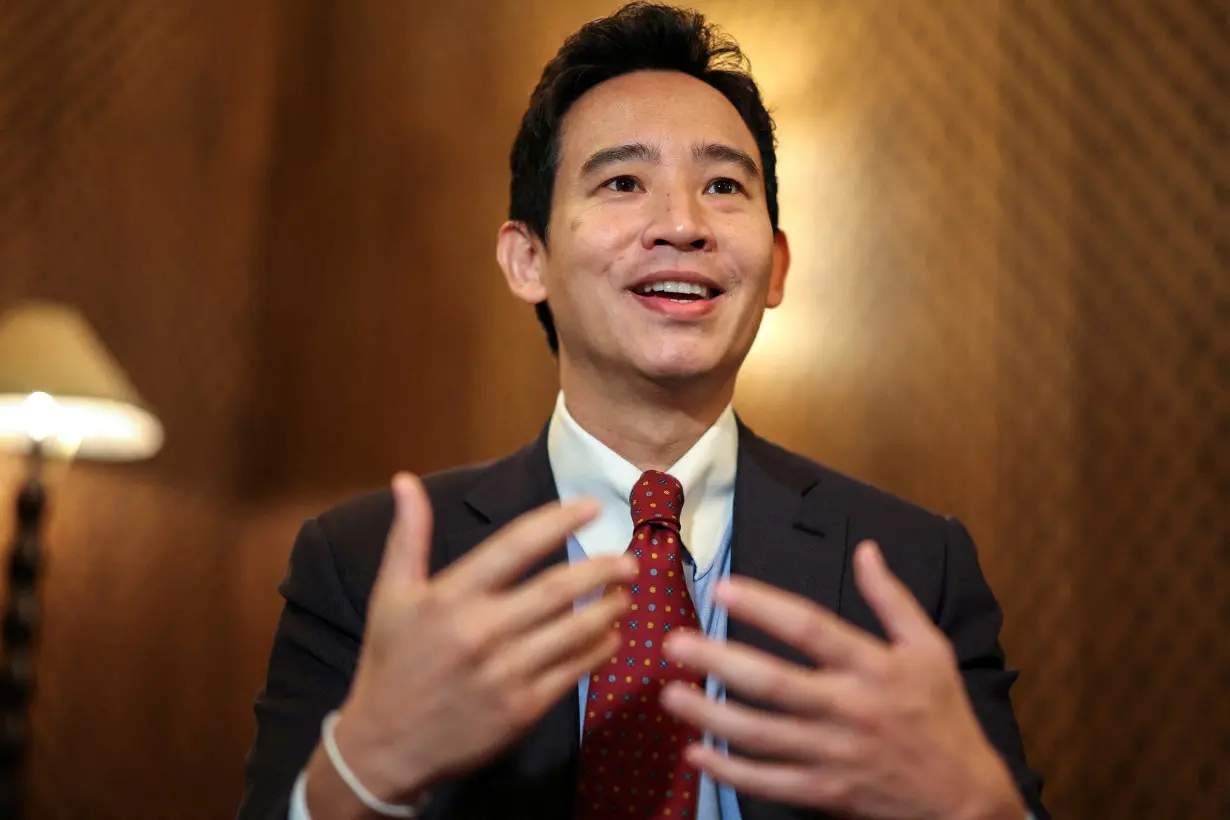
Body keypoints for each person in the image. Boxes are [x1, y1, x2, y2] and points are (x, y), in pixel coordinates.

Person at [236, 3, 1049, 819]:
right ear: (528, 258)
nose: (683, 225)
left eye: (724, 186)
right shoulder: (362, 565)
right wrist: (365, 765)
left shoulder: (913, 568)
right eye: (624, 181)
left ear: (776, 268)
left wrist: (979, 807)